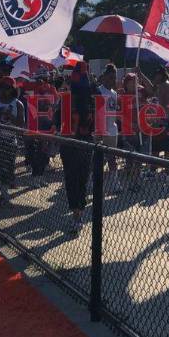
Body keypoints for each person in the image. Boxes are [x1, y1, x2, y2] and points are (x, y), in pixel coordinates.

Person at [57, 62, 96, 233]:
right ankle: (78, 214)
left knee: (74, 180)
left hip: (73, 144)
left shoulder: (69, 100)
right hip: (82, 144)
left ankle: (77, 215)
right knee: (81, 180)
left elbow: (57, 122)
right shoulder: (92, 101)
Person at [96, 66, 120, 188]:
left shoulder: (114, 94)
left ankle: (114, 182)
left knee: (112, 158)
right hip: (100, 130)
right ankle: (93, 181)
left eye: (114, 78)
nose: (113, 80)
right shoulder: (98, 91)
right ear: (104, 77)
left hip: (112, 129)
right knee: (97, 158)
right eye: (111, 77)